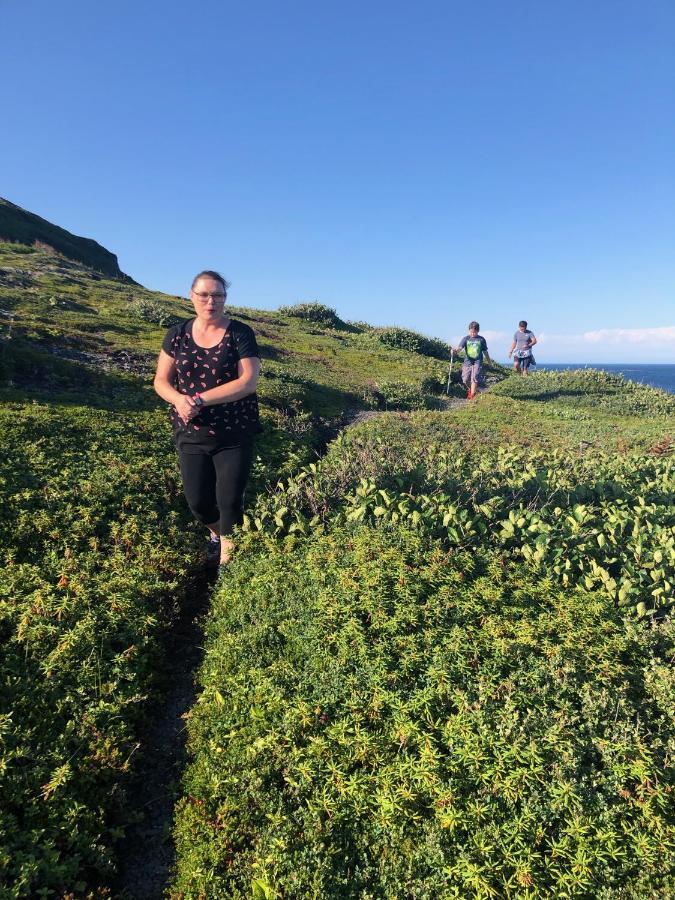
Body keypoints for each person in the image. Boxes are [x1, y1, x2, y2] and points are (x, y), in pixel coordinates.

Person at [153, 270, 261, 569]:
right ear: (192, 296)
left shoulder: (240, 333)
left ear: (225, 299)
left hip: (233, 432)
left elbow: (248, 382)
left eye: (218, 295)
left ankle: (227, 566)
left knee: (229, 503)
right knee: (199, 503)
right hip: (191, 431)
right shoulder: (176, 335)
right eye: (204, 294)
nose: (211, 301)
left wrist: (200, 399)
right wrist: (179, 400)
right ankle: (219, 536)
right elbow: (161, 380)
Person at [458, 321, 491, 399]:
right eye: (471, 332)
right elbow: (459, 348)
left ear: (478, 331)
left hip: (478, 361)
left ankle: (472, 395)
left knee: (475, 377)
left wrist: (489, 362)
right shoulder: (466, 338)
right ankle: (471, 389)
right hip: (467, 361)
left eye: (475, 332)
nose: (473, 333)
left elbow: (485, 352)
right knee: (465, 379)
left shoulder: (481, 339)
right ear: (469, 330)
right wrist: (455, 351)